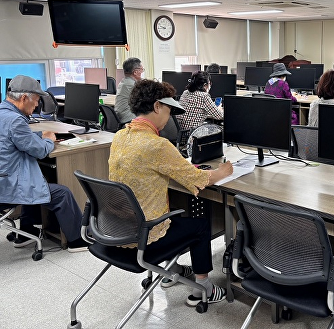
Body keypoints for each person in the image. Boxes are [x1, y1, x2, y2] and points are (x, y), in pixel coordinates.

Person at [109, 79, 233, 306]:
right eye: (168, 110)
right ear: (157, 107)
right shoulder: (157, 144)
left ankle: (171, 270)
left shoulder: (120, 136)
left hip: (116, 231)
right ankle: (203, 289)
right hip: (144, 237)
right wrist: (224, 171)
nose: (169, 117)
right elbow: (200, 179)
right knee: (200, 224)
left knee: (173, 207)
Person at [0, 76, 87, 252]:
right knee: (62, 193)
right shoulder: (16, 121)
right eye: (37, 100)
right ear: (24, 98)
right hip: (7, 186)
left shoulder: (4, 113)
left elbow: (17, 139)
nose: (37, 105)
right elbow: (40, 151)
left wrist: (40, 136)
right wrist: (48, 140)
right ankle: (77, 240)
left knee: (37, 178)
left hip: (5, 178)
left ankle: (26, 232)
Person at [115, 57, 144, 123]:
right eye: (142, 70)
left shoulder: (124, 83)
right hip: (129, 120)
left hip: (122, 117)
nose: (142, 72)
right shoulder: (132, 85)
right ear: (135, 72)